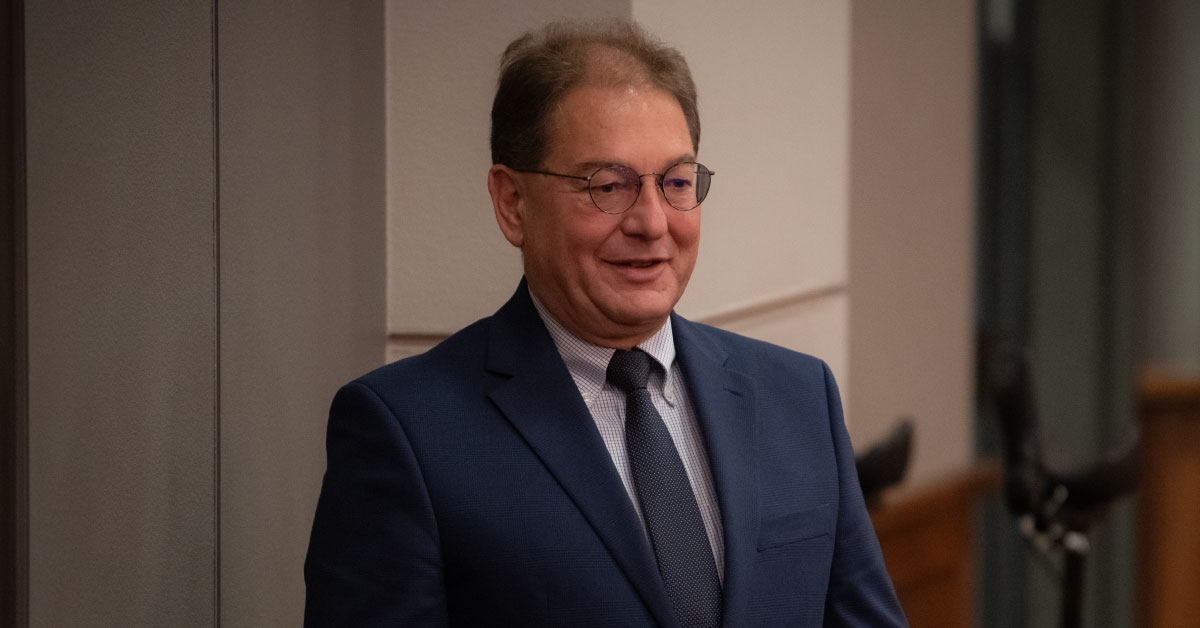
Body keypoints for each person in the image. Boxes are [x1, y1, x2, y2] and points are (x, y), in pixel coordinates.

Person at [304, 18, 907, 628]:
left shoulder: (798, 397)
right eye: (608, 185)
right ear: (513, 203)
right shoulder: (408, 432)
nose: (652, 221)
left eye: (675, 182)